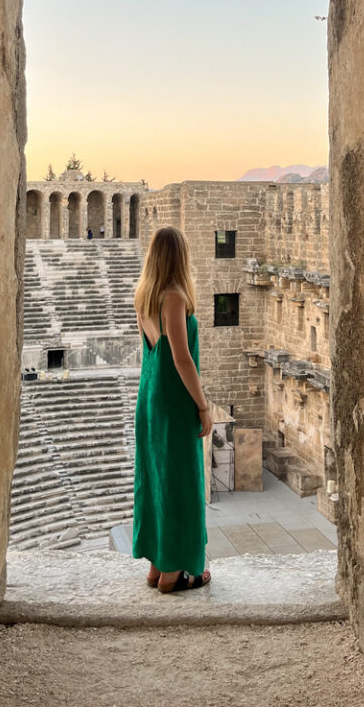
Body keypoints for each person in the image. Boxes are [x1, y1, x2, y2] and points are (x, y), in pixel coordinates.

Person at [132, 226, 212, 593]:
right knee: (182, 481)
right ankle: (174, 574)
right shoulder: (174, 298)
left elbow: (153, 352)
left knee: (156, 478)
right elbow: (181, 359)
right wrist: (203, 406)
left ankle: (156, 565)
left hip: (149, 395)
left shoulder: (144, 295)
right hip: (173, 399)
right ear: (180, 256)